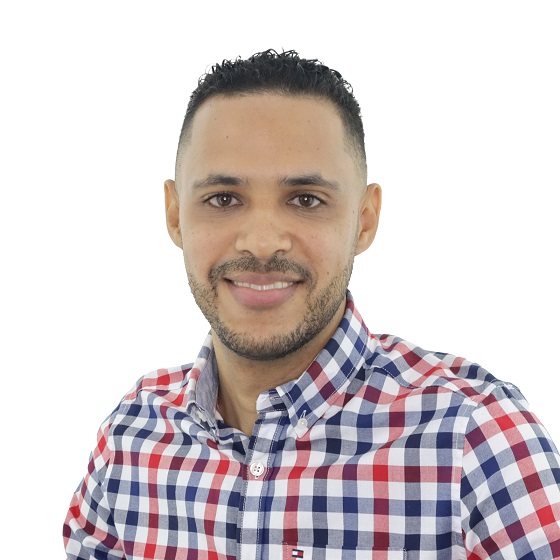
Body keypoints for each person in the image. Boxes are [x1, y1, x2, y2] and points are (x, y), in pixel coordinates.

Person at [63, 50, 560, 559]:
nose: (261, 243)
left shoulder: (478, 439)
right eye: (223, 198)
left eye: (305, 199)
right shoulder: (131, 436)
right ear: (175, 216)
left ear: (364, 221)